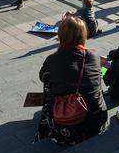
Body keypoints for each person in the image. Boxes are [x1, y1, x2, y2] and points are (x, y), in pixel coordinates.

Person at [33, 16, 108, 145]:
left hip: (68, 124)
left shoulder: (52, 59)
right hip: (97, 120)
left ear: (61, 36)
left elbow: (42, 77)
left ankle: (49, 115)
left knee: (48, 80)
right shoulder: (94, 55)